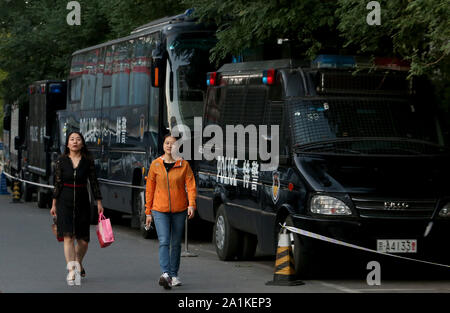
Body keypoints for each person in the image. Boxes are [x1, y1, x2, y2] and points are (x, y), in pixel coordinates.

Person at [50, 131, 104, 286]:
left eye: (78, 139)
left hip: (82, 202)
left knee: (83, 241)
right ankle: (72, 270)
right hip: (64, 202)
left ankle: (78, 261)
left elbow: (93, 183)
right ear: (67, 144)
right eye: (72, 139)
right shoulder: (61, 161)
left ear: (82, 143)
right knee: (68, 237)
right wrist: (54, 204)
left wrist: (99, 202)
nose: (75, 142)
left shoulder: (88, 161)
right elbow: (57, 184)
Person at [145, 134, 197, 289]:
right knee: (164, 241)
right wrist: (148, 212)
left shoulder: (184, 165)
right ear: (163, 145)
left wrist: (191, 204)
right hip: (159, 210)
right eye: (167, 143)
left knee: (176, 243)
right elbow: (149, 190)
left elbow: (191, 186)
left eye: (173, 144)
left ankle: (174, 275)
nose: (169, 146)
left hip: (179, 210)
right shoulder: (155, 165)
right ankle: (166, 273)